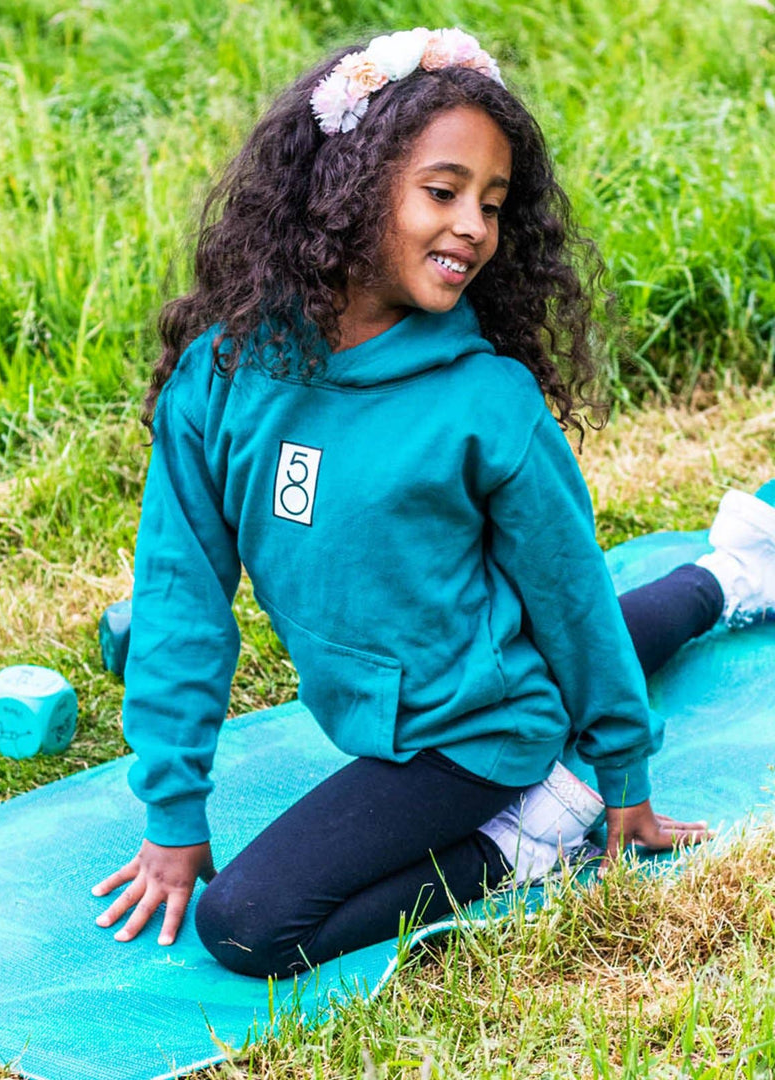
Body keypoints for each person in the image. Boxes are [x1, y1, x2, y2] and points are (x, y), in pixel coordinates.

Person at [91, 27, 775, 979]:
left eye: (492, 205)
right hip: (421, 691)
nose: (473, 228)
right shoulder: (222, 373)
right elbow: (180, 601)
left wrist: (621, 780)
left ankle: (535, 832)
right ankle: (736, 569)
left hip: (474, 736)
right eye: (443, 191)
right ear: (347, 188)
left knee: (247, 925)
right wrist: (173, 810)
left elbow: (572, 598)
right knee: (562, 643)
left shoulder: (484, 402)